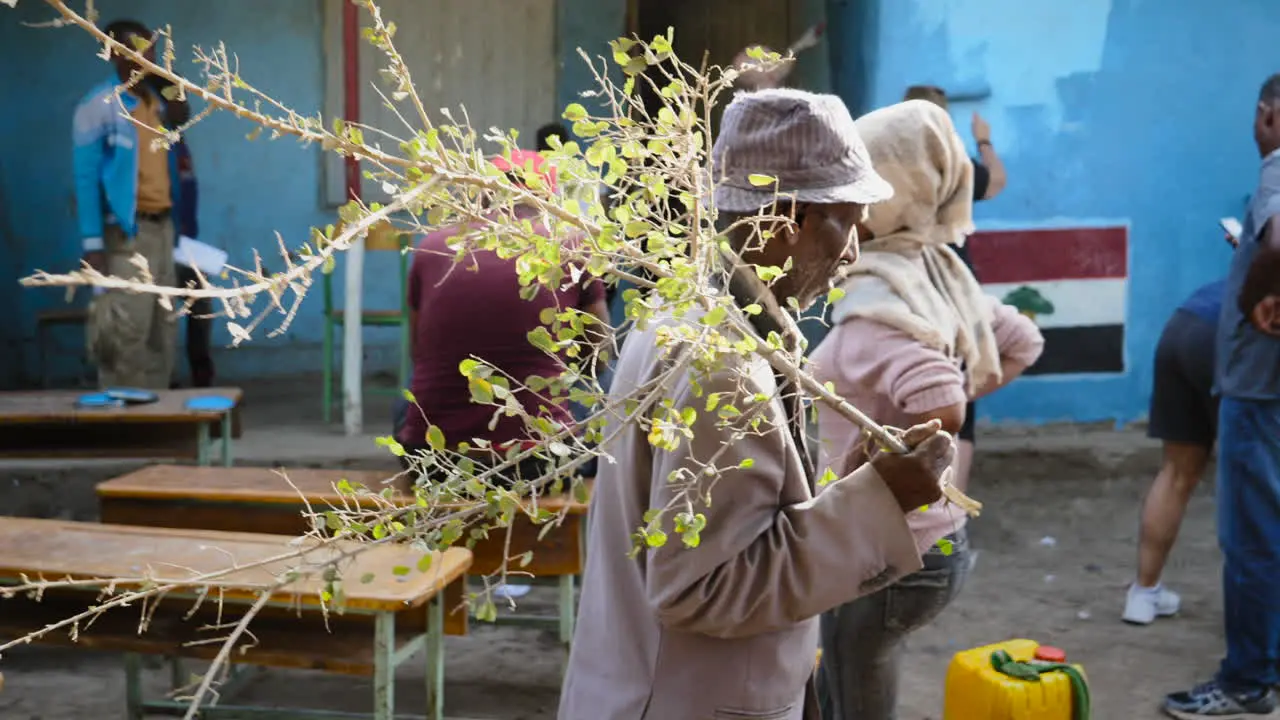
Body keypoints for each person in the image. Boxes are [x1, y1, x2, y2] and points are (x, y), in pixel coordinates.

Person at [559, 88, 959, 720]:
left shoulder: (689, 317)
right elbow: (702, 588)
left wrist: (851, 486)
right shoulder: (723, 364)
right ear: (786, 220)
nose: (853, 250)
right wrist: (881, 502)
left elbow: (740, 526)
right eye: (849, 221)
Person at [812, 99, 1043, 720]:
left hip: (893, 552)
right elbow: (1021, 341)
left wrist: (902, 440)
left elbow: (942, 403)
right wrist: (925, 418)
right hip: (926, 544)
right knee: (833, 690)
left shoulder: (883, 300)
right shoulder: (936, 272)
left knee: (855, 706)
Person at [1162, 73, 1280, 718]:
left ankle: (1247, 682)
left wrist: (1253, 294)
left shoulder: (1277, 167)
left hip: (1259, 389)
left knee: (1254, 540)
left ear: (1266, 114)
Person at [394, 148, 610, 479]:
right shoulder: (571, 245)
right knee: (609, 385)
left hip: (431, 461)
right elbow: (599, 357)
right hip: (538, 462)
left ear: (483, 194)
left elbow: (417, 352)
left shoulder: (431, 246)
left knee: (410, 396)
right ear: (548, 198)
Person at [902, 85, 1009, 500]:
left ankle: (910, 500)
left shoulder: (891, 164)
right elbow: (996, 182)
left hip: (906, 286)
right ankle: (953, 513)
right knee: (961, 396)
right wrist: (982, 137)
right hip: (955, 289)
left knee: (913, 389)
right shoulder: (957, 165)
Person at [75, 19, 191, 389]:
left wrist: (168, 81)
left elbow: (183, 115)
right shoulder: (98, 106)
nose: (144, 57)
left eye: (150, 49)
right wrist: (93, 245)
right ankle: (122, 428)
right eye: (134, 49)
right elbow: (85, 179)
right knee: (127, 332)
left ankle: (157, 425)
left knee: (164, 329)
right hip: (125, 233)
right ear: (113, 54)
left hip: (163, 229)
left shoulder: (156, 103)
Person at [1122, 279, 1224, 625]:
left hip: (1184, 324)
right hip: (1229, 336)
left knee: (1177, 472)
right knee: (1255, 480)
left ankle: (1143, 593)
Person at [172, 137, 217, 388]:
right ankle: (165, 378)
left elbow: (188, 190)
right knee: (161, 309)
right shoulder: (152, 137)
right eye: (178, 98)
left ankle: (202, 374)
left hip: (186, 244)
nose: (186, 106)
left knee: (201, 302)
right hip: (158, 240)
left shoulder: (180, 143)